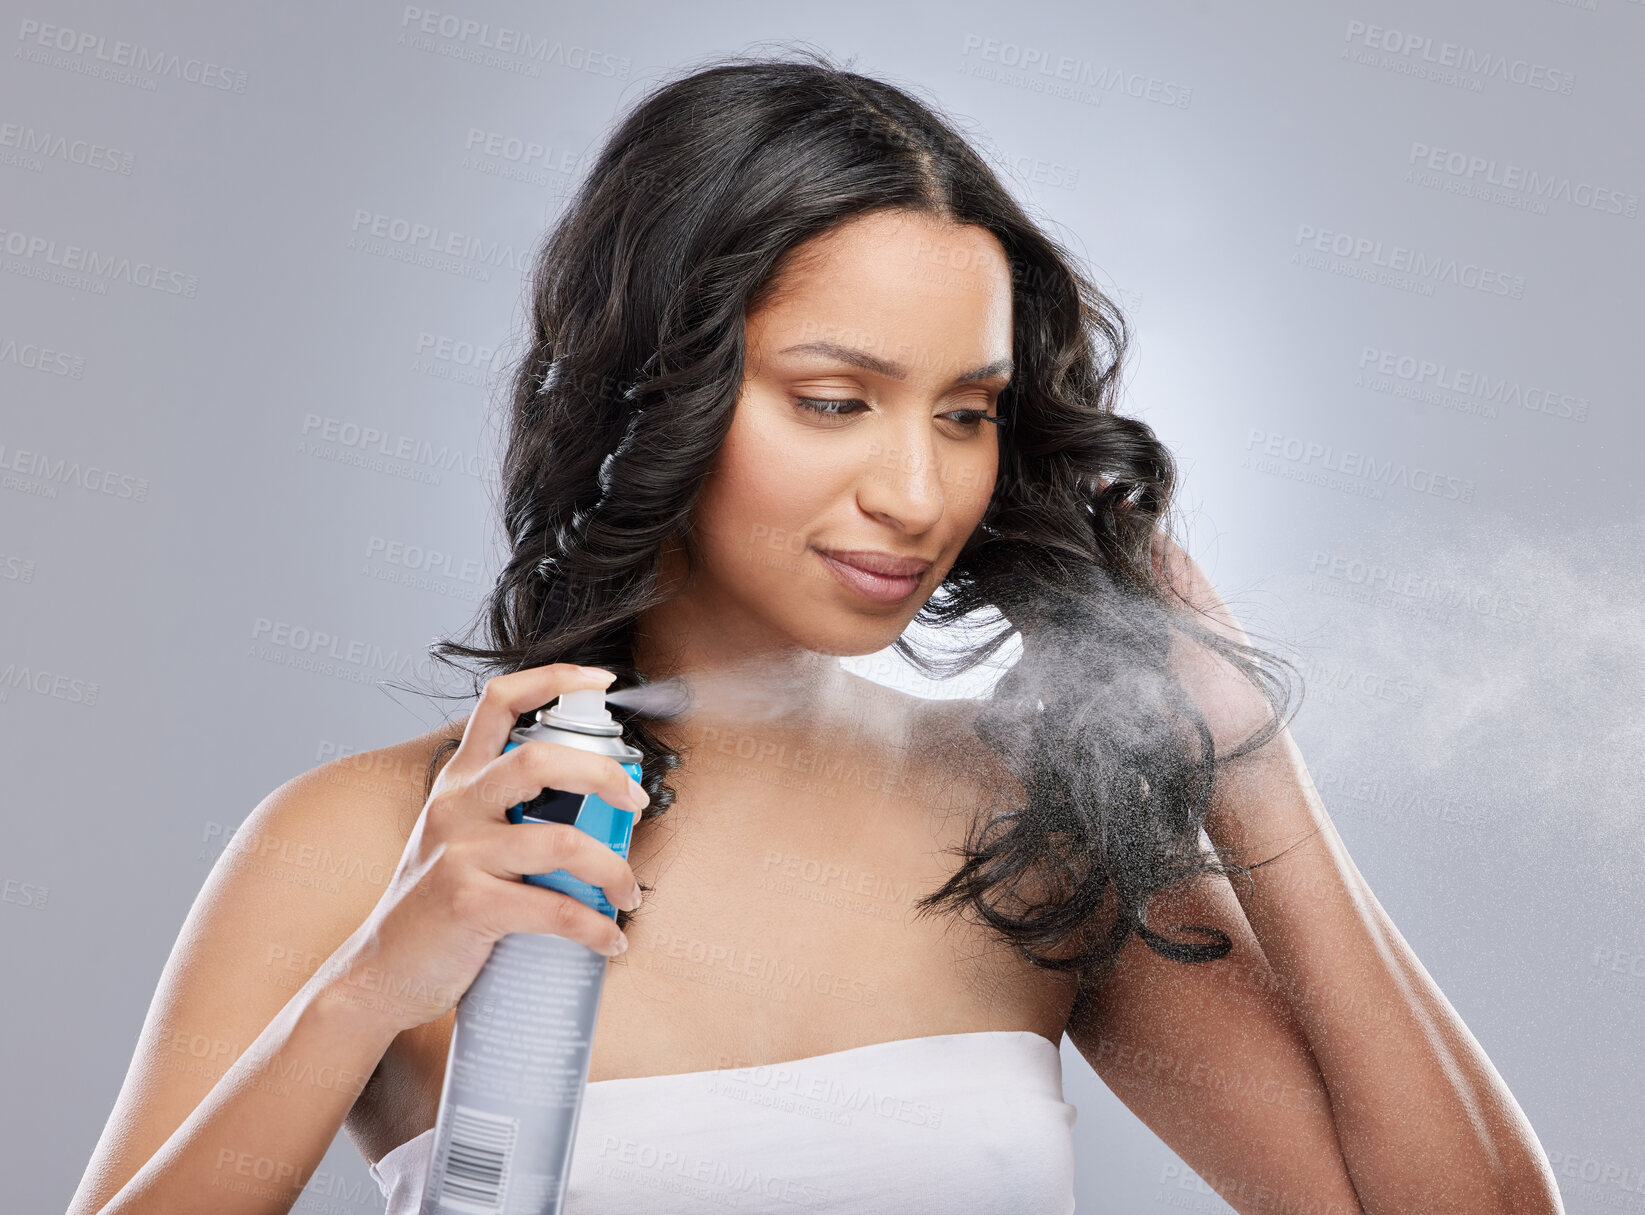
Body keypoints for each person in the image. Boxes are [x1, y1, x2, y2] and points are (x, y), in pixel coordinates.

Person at [68, 49, 1561, 1215]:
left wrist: (1245, 761)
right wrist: (375, 980)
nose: (915, 493)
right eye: (834, 401)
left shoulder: (1031, 836)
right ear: (661, 390)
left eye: (966, 414)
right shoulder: (366, 846)